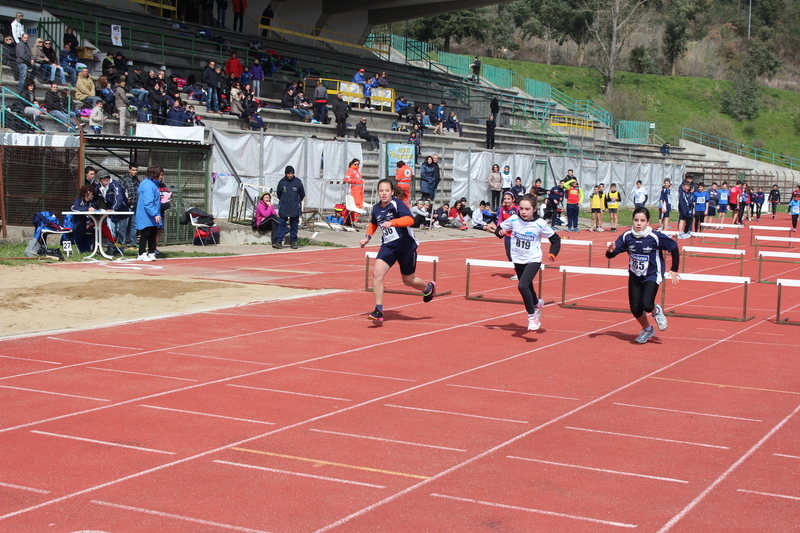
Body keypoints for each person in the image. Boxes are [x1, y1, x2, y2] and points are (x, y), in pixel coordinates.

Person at [360, 179, 436, 322]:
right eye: (381, 191)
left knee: (408, 280)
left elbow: (410, 220)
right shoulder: (376, 208)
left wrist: (393, 222)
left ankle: (428, 289)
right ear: (378, 192)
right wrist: (367, 237)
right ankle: (378, 310)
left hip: (406, 247)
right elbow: (373, 224)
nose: (384, 193)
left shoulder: (396, 204)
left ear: (392, 192)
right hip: (388, 246)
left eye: (387, 191)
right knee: (377, 273)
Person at [606, 207, 680, 343]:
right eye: (636, 220)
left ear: (648, 222)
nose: (639, 223)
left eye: (642, 221)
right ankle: (647, 329)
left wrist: (674, 268)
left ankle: (656, 311)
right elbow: (611, 254)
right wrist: (610, 251)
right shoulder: (627, 236)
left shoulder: (655, 237)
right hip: (635, 275)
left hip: (652, 274)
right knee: (635, 308)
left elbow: (674, 247)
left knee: (646, 304)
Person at [497, 193, 561, 331]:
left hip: (533, 259)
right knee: (528, 286)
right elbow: (499, 229)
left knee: (522, 285)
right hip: (518, 259)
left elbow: (556, 239)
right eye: (521, 209)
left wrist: (553, 253)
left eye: (527, 209)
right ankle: (537, 304)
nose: (524, 212)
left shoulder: (540, 224)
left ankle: (532, 316)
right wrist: (500, 232)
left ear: (534, 209)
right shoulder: (513, 220)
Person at [135, 164, 163, 261]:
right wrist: (155, 214)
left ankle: (151, 251)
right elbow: (148, 202)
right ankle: (141, 253)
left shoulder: (152, 184)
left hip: (151, 214)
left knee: (153, 233)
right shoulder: (148, 185)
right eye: (160, 174)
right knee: (145, 233)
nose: (161, 177)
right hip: (146, 215)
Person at [274, 166, 305, 249]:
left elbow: (302, 194)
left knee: (294, 225)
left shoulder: (298, 182)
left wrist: (296, 202)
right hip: (284, 206)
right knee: (282, 224)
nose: (290, 175)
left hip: (294, 207)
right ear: (286, 174)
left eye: (292, 173)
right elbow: (279, 194)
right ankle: (279, 241)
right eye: (289, 173)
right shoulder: (282, 182)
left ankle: (293, 241)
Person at [70, 185, 98, 253]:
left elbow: (95, 209)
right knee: (82, 230)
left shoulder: (92, 202)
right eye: (89, 195)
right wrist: (86, 209)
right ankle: (84, 250)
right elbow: (73, 208)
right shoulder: (79, 200)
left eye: (91, 195)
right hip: (80, 223)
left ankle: (93, 248)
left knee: (99, 227)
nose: (90, 196)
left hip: (91, 223)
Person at [119, 163, 140, 248]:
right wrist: (125, 199)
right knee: (124, 226)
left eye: (136, 170)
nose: (135, 172)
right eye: (133, 170)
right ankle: (122, 243)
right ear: (129, 170)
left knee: (134, 225)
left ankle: (133, 242)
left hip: (135, 205)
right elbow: (120, 191)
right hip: (126, 207)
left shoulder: (137, 180)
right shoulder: (124, 179)